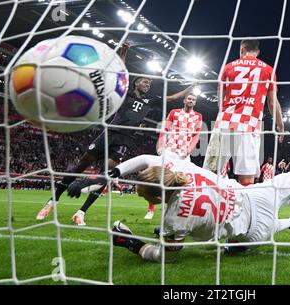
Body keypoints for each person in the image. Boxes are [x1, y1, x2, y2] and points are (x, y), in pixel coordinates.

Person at [67, 134, 290, 262]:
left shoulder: (172, 218)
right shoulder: (179, 168)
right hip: (253, 195)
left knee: (240, 246)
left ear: (157, 201)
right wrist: (105, 177)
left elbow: (167, 259)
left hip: (250, 232)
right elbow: (145, 158)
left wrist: (133, 244)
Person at [36, 42, 198, 226]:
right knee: (81, 165)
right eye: (145, 81)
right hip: (109, 133)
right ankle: (52, 201)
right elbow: (120, 73)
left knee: (106, 174)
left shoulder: (150, 100)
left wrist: (189, 88)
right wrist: (124, 51)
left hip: (125, 140)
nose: (148, 84)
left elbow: (173, 98)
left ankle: (81, 212)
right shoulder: (126, 92)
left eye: (150, 83)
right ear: (137, 82)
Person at [203, 39, 284, 187]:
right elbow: (272, 103)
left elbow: (220, 101)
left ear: (241, 49)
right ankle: (243, 210)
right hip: (249, 124)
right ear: (258, 52)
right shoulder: (268, 70)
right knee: (246, 178)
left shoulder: (228, 67)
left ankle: (208, 207)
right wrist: (280, 126)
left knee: (210, 173)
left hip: (225, 122)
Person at [144, 93, 203, 220]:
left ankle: (173, 210)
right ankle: (151, 209)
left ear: (195, 102)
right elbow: (164, 130)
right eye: (189, 99)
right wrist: (160, 146)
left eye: (193, 99)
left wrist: (190, 148)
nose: (191, 101)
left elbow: (197, 135)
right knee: (158, 178)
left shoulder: (198, 116)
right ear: (184, 100)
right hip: (170, 149)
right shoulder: (174, 112)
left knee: (183, 182)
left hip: (183, 154)